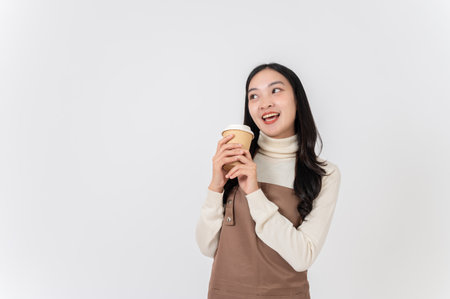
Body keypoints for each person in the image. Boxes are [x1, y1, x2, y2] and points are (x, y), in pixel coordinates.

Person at [195, 62, 341, 299]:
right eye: (254, 96)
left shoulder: (324, 174)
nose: (265, 103)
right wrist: (215, 187)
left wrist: (254, 193)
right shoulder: (237, 161)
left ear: (297, 99)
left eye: (276, 90)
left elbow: (303, 256)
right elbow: (207, 247)